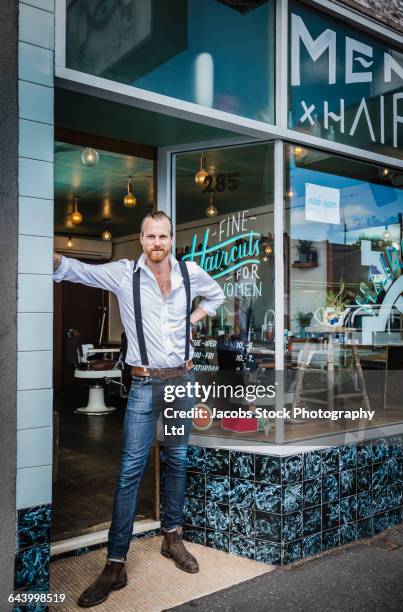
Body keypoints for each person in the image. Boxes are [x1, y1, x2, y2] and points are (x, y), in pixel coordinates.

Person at [53, 211, 225, 608]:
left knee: (178, 457)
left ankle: (172, 538)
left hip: (183, 379)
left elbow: (215, 297)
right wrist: (53, 258)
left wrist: (191, 319)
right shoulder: (123, 273)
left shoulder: (189, 272)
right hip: (145, 383)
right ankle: (115, 563)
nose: (157, 243)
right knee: (131, 468)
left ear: (171, 239)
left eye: (163, 236)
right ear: (142, 239)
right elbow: (78, 269)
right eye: (151, 237)